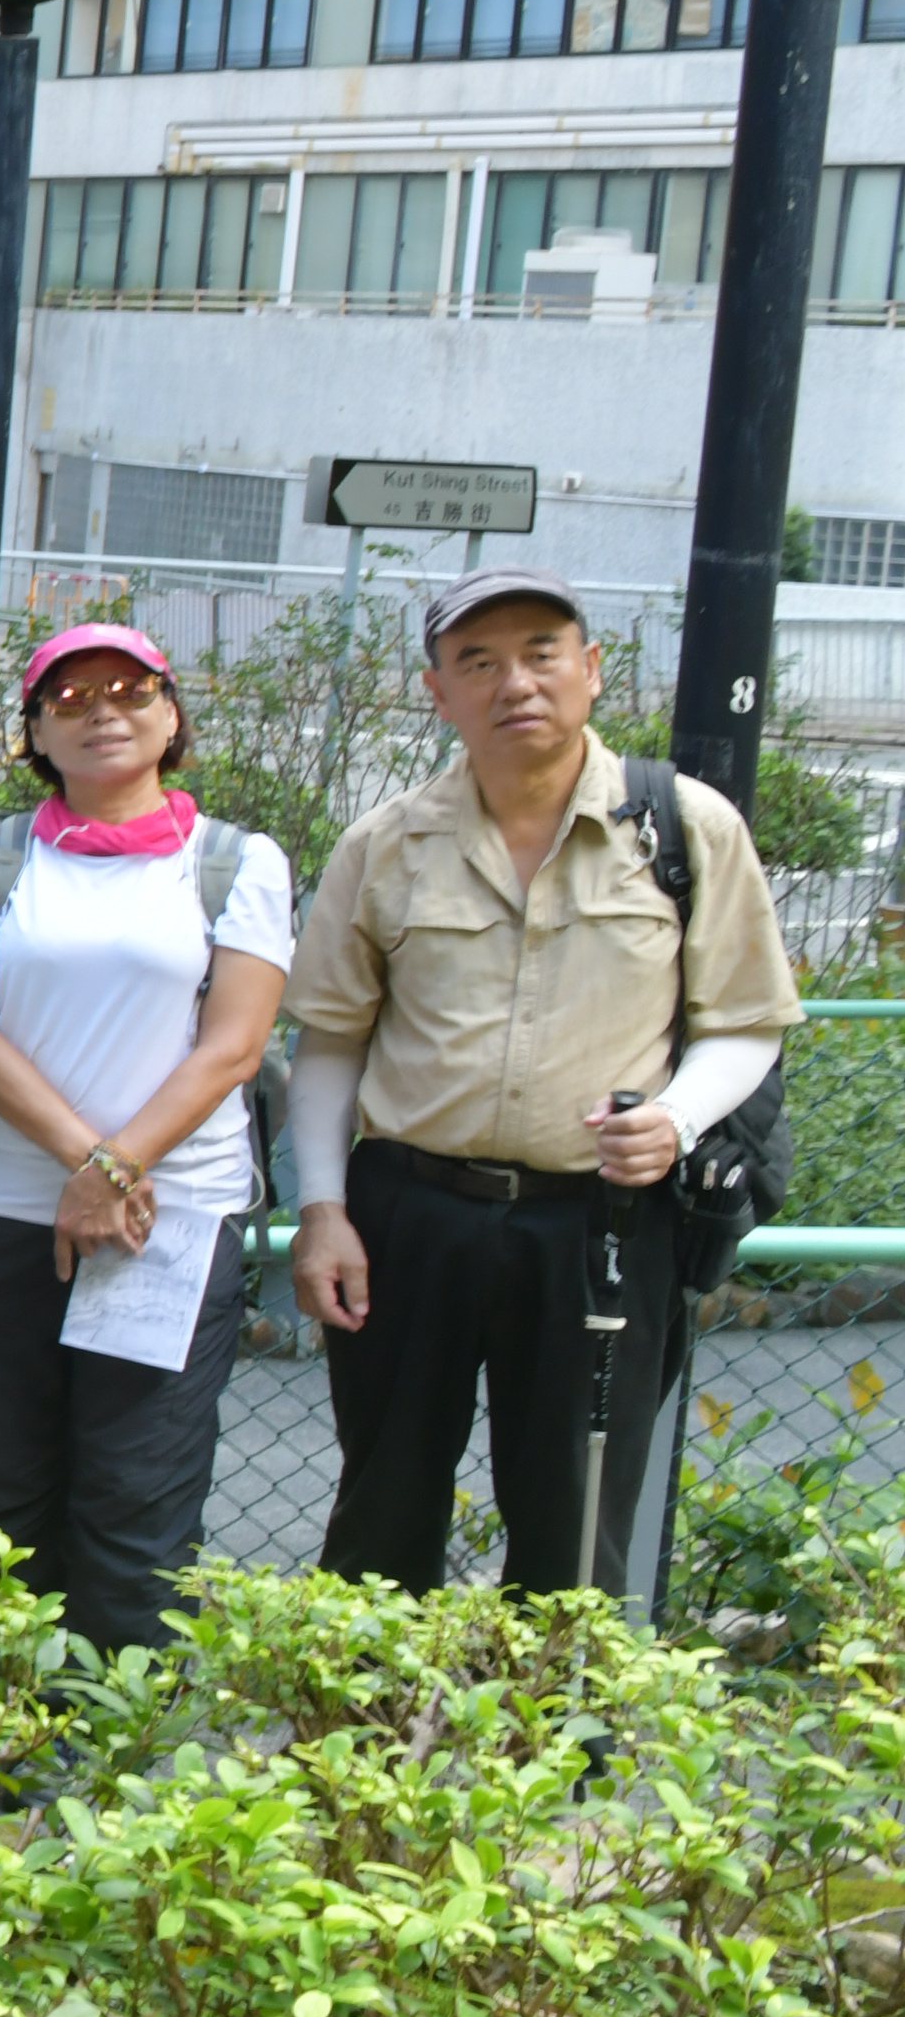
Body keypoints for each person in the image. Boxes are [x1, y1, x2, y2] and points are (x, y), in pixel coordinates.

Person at [285, 567, 797, 1602]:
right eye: (478, 662)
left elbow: (744, 1024)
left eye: (541, 654)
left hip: (602, 1226)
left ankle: (554, 1715)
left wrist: (675, 1118)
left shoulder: (686, 828)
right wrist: (322, 1211)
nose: (514, 682)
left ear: (592, 670)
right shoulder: (385, 844)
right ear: (439, 693)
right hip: (409, 1216)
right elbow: (331, 1043)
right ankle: (367, 1711)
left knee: (575, 1524)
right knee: (382, 1515)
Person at [0, 621, 277, 1652]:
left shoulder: (234, 864)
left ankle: (116, 1732)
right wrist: (89, 1163)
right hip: (5, 1217)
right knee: (9, 1497)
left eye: (131, 691)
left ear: (172, 717)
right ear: (36, 733)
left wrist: (114, 1173)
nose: (103, 713)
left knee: (138, 1503)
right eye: (70, 700)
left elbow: (234, 1047)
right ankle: (4, 1719)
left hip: (166, 1227)